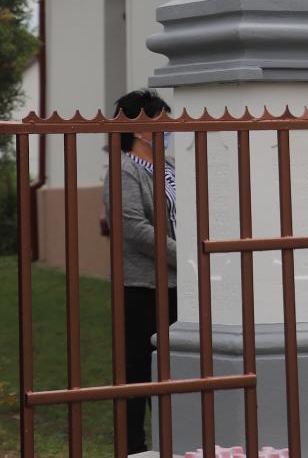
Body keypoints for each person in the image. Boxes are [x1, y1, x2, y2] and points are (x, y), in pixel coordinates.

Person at [100, 89, 178, 456]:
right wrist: (184, 255)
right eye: (162, 120)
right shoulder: (124, 170)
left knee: (172, 368)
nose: (169, 128)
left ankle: (172, 442)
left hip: (176, 284)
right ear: (139, 127)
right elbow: (133, 228)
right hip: (142, 285)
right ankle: (134, 447)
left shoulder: (170, 169)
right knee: (138, 369)